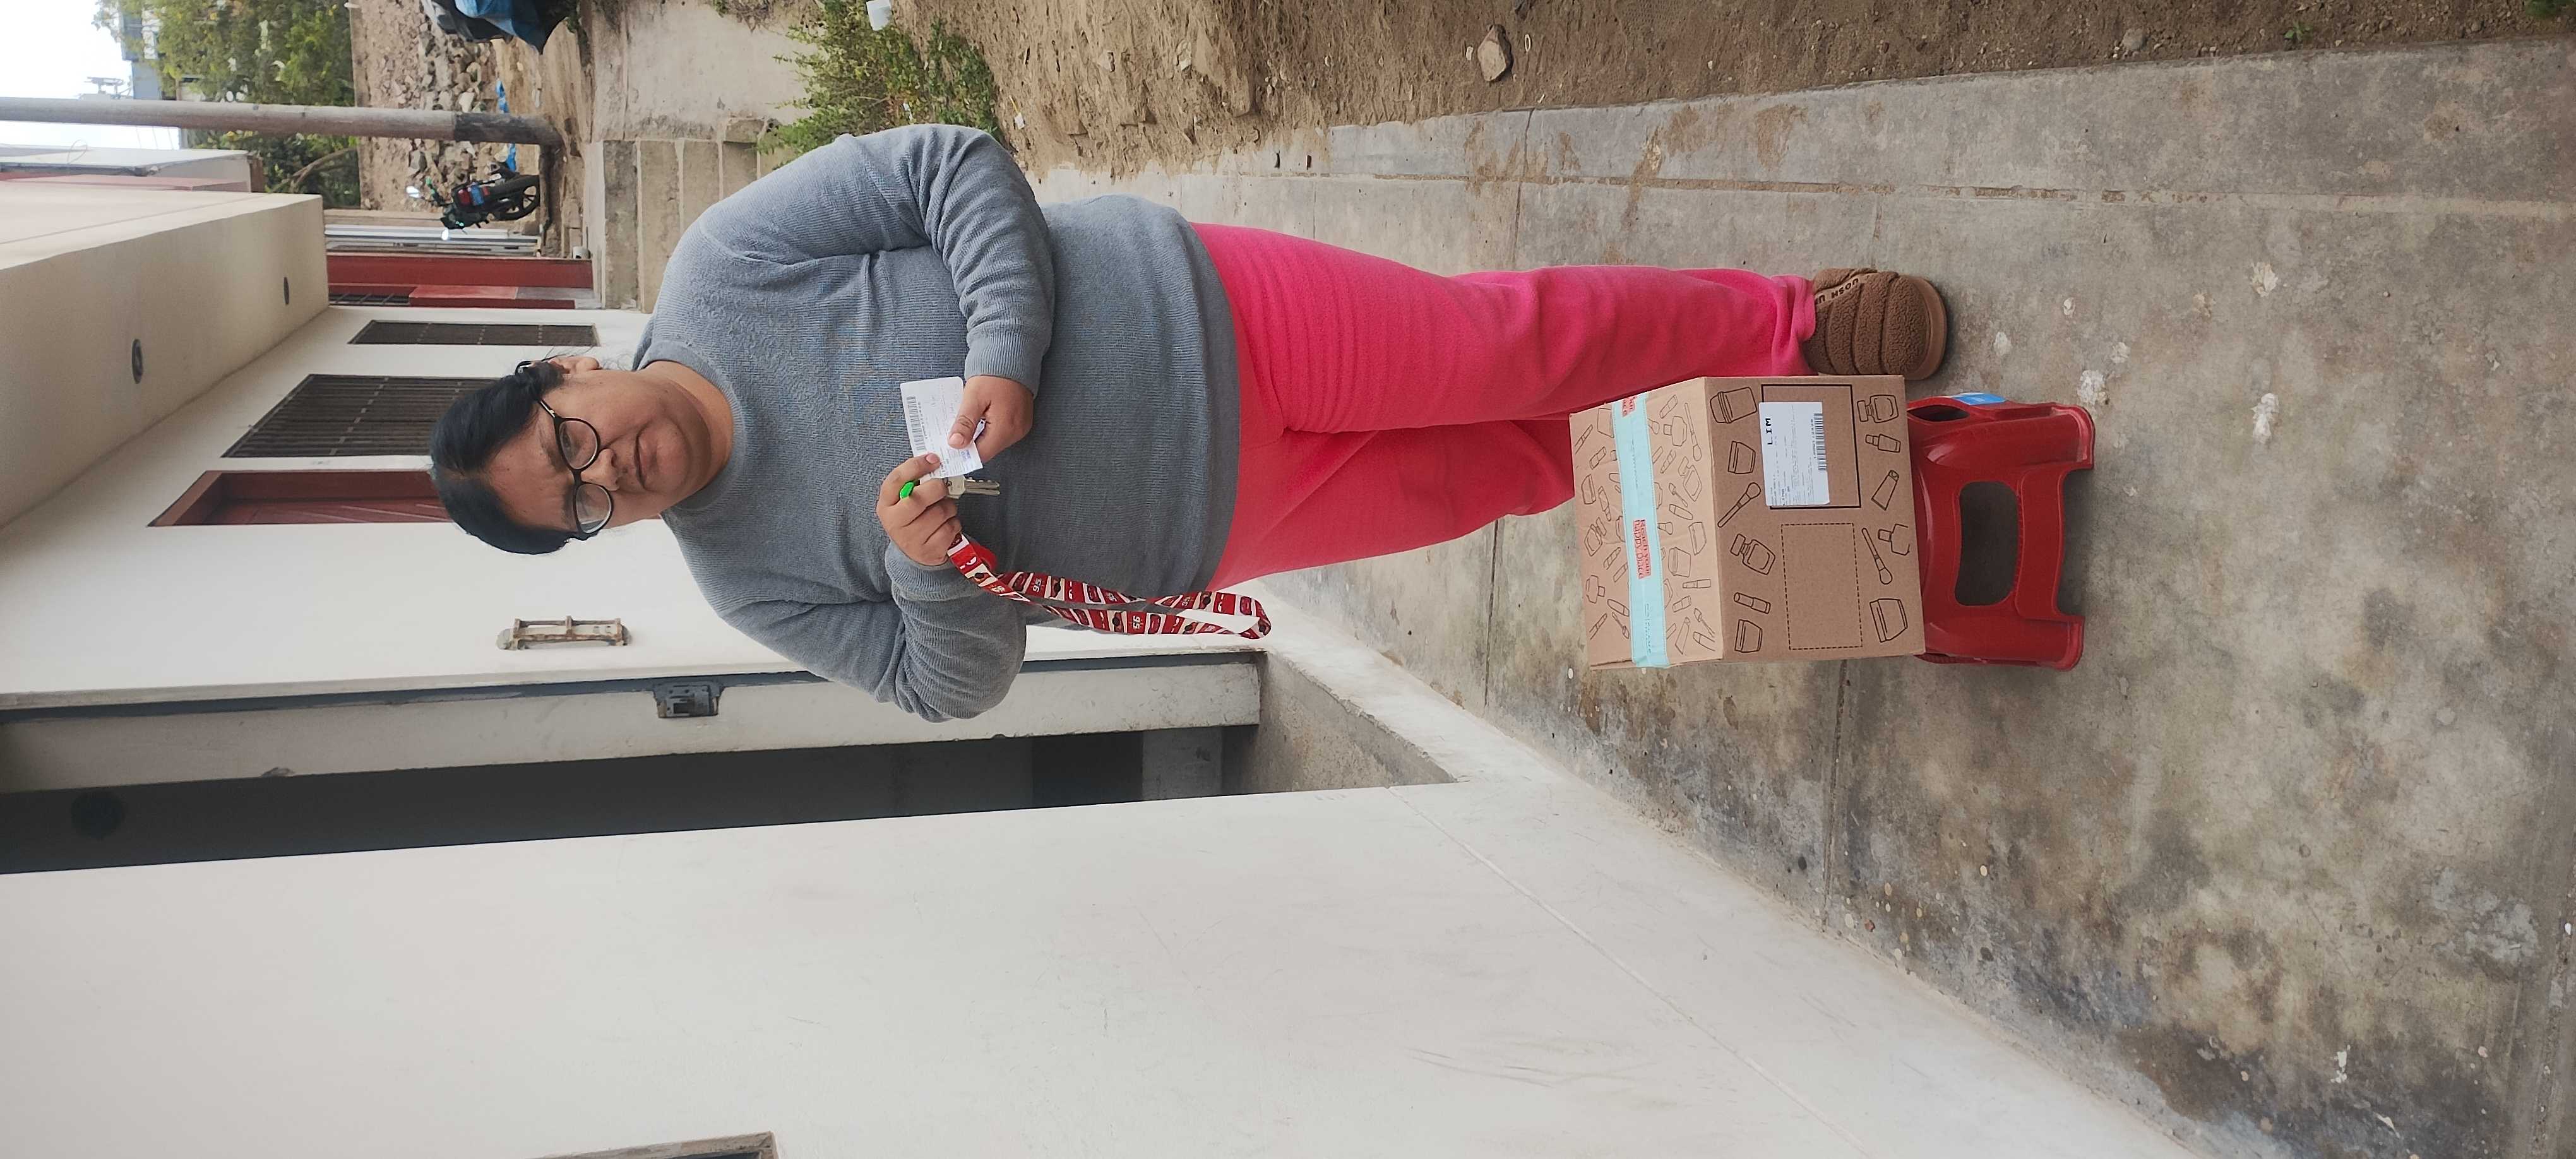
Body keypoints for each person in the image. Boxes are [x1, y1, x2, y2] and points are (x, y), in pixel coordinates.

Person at [429, 124, 1948, 722]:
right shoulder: (743, 580)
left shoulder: (723, 266)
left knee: (1505, 345)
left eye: (570, 444)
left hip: (1205, 314)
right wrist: (919, 566)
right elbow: (948, 687)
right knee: (1512, 468)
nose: (610, 472)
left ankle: (1789, 326)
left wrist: (1005, 348)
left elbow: (951, 167)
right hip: (1217, 525)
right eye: (583, 508)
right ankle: (1791, 445)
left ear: (563, 376)